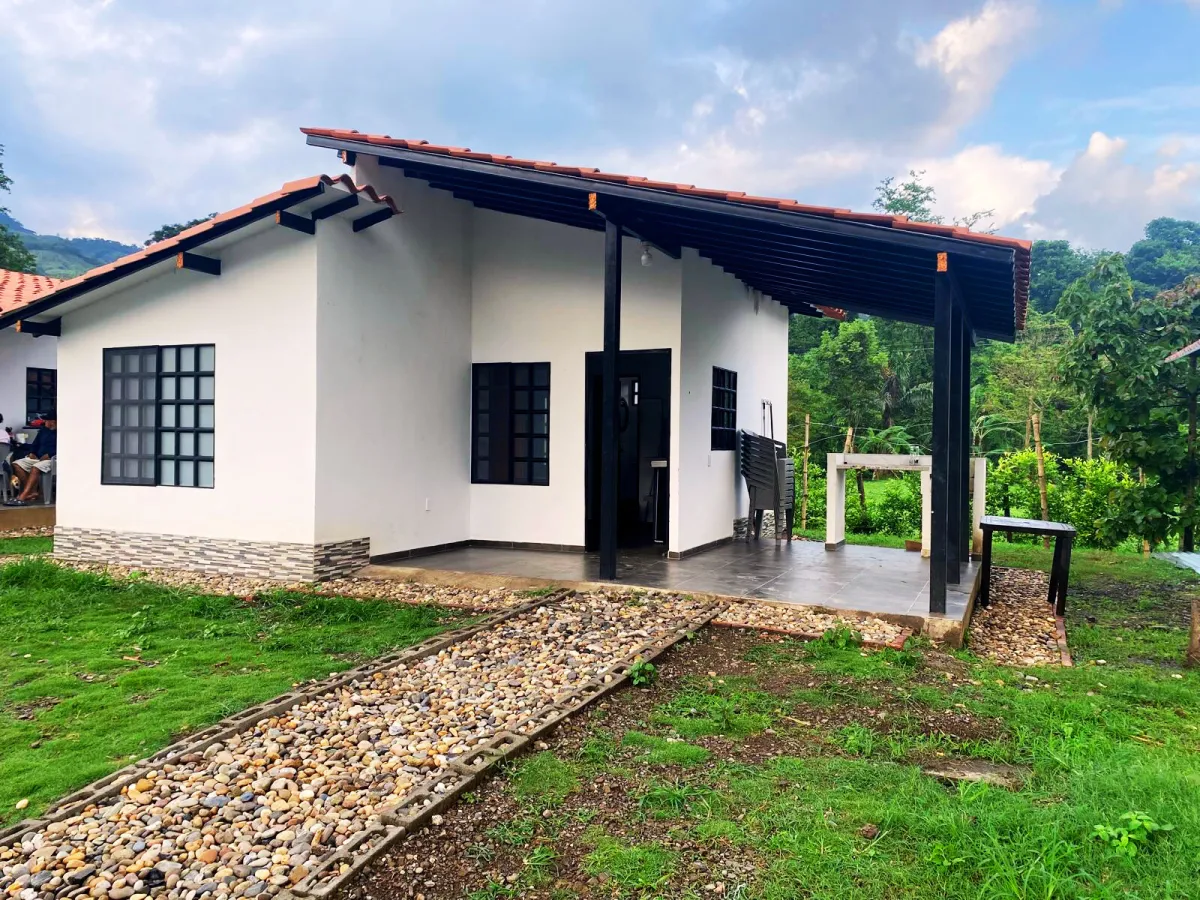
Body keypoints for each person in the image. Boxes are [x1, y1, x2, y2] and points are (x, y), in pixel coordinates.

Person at [10, 414, 56, 504]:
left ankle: (22, 497)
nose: (45, 422)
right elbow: (35, 444)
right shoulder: (43, 431)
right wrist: (32, 452)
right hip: (38, 458)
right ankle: (32, 492)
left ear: (53, 422)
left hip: (52, 459)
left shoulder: (61, 432)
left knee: (35, 467)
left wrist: (50, 455)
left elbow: (62, 448)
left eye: (46, 420)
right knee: (17, 464)